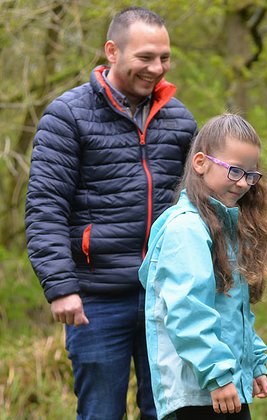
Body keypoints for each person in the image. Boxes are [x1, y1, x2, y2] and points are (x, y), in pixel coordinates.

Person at [24, 7, 197, 419]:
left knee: (168, 410)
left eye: (164, 57)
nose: (157, 68)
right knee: (101, 412)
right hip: (96, 298)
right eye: (145, 57)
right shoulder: (67, 116)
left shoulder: (181, 120)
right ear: (112, 51)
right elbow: (45, 206)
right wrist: (61, 286)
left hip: (166, 298)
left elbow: (197, 208)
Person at [140, 113, 267, 419]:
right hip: (200, 392)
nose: (243, 183)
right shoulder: (187, 229)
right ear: (201, 163)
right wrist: (218, 374)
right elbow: (188, 310)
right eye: (235, 171)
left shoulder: (225, 227)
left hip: (224, 383)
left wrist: (252, 362)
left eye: (251, 175)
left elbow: (234, 311)